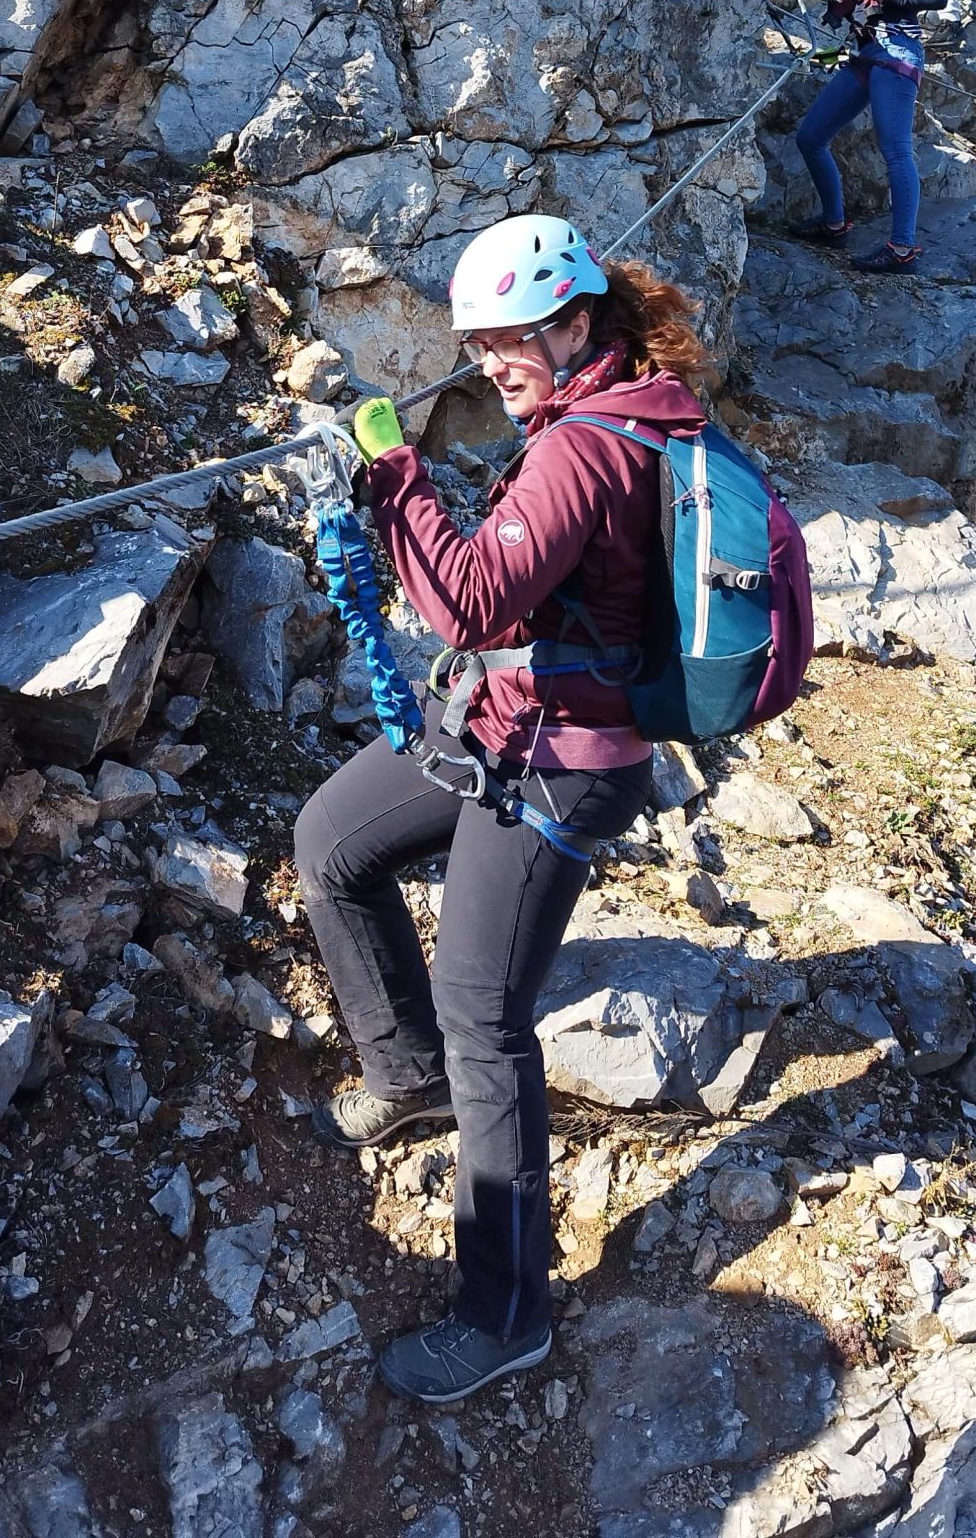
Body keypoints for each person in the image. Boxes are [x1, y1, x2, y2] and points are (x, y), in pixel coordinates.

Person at [294, 216, 706, 1404]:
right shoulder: (604, 411)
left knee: (489, 1016)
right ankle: (405, 1071)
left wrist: (401, 480)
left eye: (506, 343)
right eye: (475, 346)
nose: (488, 365)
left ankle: (508, 1310)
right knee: (333, 842)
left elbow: (472, 597)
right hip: (505, 720)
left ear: (577, 323)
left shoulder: (589, 446)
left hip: (563, 757)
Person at [792, 0, 946, 271]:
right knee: (810, 137)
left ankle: (902, 248)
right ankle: (835, 223)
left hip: (897, 52)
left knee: (895, 150)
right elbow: (857, 6)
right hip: (864, 52)